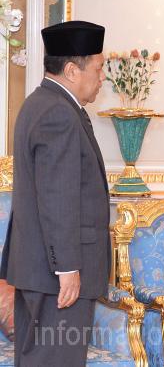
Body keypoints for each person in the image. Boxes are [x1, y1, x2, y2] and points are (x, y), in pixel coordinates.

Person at [0, 21, 110, 366]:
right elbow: (57, 199)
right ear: (73, 70)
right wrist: (68, 269)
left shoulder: (41, 103)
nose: (102, 77)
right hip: (56, 276)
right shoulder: (58, 113)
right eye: (98, 68)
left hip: (42, 270)